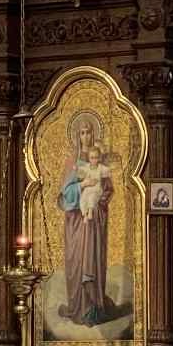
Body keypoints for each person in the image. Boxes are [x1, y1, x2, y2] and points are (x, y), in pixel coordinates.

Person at [58, 111, 114, 327]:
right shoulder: (72, 162)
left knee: (94, 260)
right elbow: (65, 194)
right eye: (82, 132)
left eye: (89, 132)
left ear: (94, 134)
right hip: (76, 221)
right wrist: (82, 185)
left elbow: (108, 189)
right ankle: (78, 308)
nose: (86, 136)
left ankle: (93, 309)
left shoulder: (100, 162)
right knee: (77, 263)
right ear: (77, 136)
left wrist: (98, 203)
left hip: (95, 220)